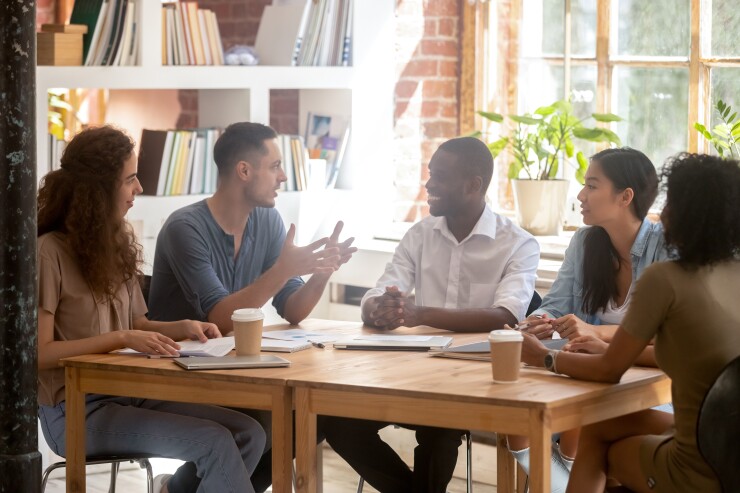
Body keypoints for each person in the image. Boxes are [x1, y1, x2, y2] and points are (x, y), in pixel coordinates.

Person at [36, 126, 266, 493]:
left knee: (249, 433)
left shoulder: (116, 241)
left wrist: (185, 326)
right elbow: (39, 353)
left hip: (129, 390)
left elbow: (138, 322)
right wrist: (121, 337)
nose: (139, 188)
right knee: (214, 442)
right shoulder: (49, 252)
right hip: (76, 410)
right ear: (98, 190)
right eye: (130, 179)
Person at [322, 137, 540, 493]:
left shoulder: (518, 243)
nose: (428, 185)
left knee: (439, 424)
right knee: (337, 420)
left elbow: (506, 316)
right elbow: (380, 291)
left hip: (478, 380)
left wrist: (419, 313)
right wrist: (379, 308)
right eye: (429, 175)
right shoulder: (420, 234)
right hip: (412, 374)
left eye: (439, 177)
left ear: (474, 185)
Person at [147, 121, 356, 492]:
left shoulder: (267, 220)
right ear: (244, 170)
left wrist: (324, 271)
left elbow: (292, 308)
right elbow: (220, 319)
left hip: (232, 368)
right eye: (275, 165)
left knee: (315, 418)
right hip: (178, 371)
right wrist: (283, 268)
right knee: (263, 421)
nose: (283, 176)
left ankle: (180, 490)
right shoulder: (185, 228)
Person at [520, 153, 740, 493]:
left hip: (701, 461)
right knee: (601, 425)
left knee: (599, 438)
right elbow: (685, 352)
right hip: (728, 443)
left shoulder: (665, 276)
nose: (662, 213)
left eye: (671, 203)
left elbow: (610, 369)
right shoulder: (732, 274)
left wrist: (544, 357)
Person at [505, 147, 668, 492]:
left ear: (626, 196)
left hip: (648, 386)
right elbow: (554, 304)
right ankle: (565, 475)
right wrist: (538, 322)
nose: (580, 195)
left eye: (592, 186)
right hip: (587, 375)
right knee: (515, 413)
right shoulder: (584, 242)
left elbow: (667, 336)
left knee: (581, 421)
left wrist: (596, 331)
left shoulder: (665, 248)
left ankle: (566, 473)